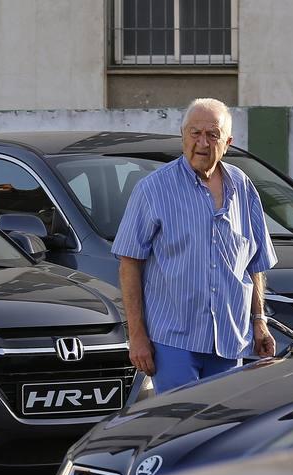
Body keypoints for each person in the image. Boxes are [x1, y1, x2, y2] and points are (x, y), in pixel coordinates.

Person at [113, 98, 278, 393]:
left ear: (227, 142)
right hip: (174, 341)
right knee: (178, 426)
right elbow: (129, 263)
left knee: (221, 428)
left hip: (229, 340)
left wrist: (259, 321)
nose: (202, 142)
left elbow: (253, 263)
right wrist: (137, 336)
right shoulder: (153, 190)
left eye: (212, 134)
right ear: (182, 136)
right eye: (194, 133)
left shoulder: (243, 188)